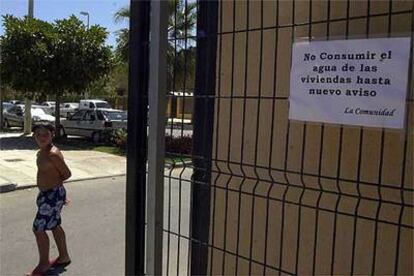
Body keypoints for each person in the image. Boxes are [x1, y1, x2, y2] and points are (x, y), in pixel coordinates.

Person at [27, 123, 72, 276]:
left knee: (38, 229)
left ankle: (44, 263)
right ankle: (64, 256)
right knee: (54, 224)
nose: (41, 137)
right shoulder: (41, 152)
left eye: (45, 134)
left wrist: (57, 194)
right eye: (38, 135)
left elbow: (67, 174)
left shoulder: (53, 153)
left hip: (52, 195)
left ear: (52, 134)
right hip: (47, 195)